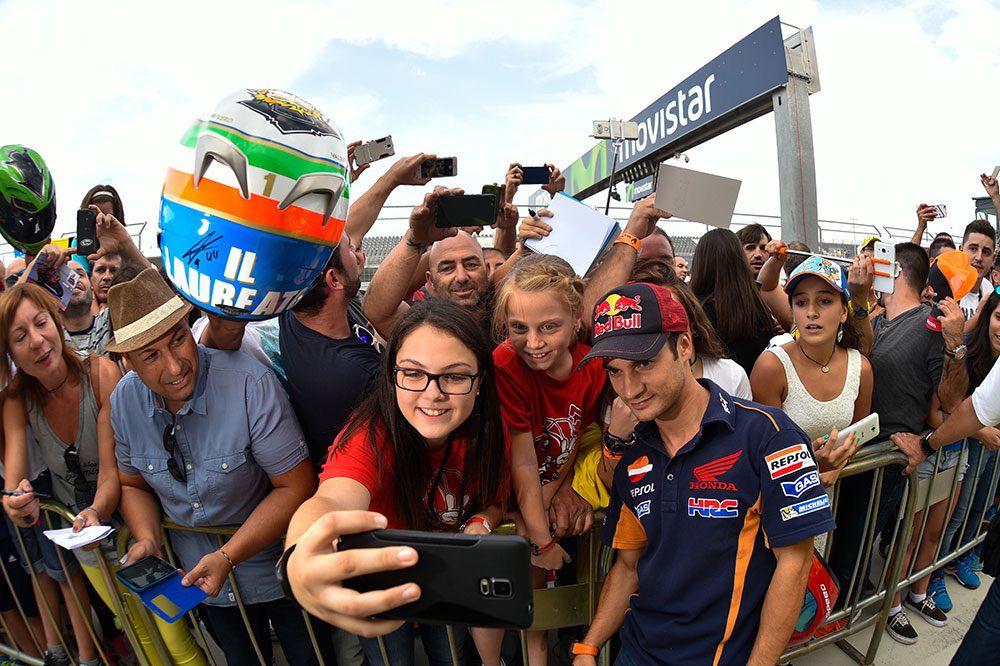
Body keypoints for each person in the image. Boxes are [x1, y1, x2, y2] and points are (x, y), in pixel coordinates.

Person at [570, 281, 834, 666]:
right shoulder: (633, 463)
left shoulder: (769, 436)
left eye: (644, 363)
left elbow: (794, 563)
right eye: (615, 372)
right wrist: (589, 647)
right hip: (634, 654)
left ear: (684, 346)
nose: (630, 388)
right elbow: (628, 568)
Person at [107, 268, 318, 665]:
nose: (174, 367)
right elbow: (132, 483)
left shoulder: (249, 383)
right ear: (127, 361)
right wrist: (148, 538)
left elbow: (296, 485)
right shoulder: (123, 402)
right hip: (205, 588)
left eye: (178, 340)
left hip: (279, 574)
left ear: (190, 326)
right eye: (151, 356)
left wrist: (228, 556)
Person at [284, 299, 509, 665]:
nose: (433, 393)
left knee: (449, 654)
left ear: (480, 382)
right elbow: (331, 501)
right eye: (414, 373)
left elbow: (496, 498)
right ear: (392, 375)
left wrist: (484, 520)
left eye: (454, 376)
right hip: (382, 579)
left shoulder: (488, 433)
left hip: (444, 578)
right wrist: (297, 559)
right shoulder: (370, 436)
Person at [825, 243, 967, 645]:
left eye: (879, 263)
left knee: (853, 544)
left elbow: (954, 400)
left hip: (885, 461)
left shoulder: (929, 323)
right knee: (837, 537)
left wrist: (956, 344)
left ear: (897, 270)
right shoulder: (877, 319)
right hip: (849, 453)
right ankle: (833, 605)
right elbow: (862, 353)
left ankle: (837, 615)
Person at [491, 254, 606, 665]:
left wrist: (553, 493)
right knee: (520, 607)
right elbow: (521, 462)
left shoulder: (593, 367)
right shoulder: (507, 364)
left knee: (539, 611)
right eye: (519, 328)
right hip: (503, 496)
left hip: (540, 493)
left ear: (576, 319)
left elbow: (572, 442)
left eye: (549, 327)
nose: (534, 343)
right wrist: (541, 539)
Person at [0, 283, 122, 666]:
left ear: (56, 321)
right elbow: (15, 472)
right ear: (10, 353)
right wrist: (15, 499)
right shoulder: (19, 398)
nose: (37, 342)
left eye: (41, 324)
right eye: (20, 337)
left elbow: (120, 468)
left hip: (134, 529)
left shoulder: (101, 373)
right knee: (135, 628)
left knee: (175, 633)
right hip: (85, 542)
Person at [890, 340, 1000, 665]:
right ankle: (892, 605)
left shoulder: (970, 360)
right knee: (908, 538)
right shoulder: (948, 352)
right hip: (931, 459)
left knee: (935, 535)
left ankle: (919, 593)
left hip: (956, 456)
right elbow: (948, 408)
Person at [751, 256, 872, 487]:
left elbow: (859, 435)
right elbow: (763, 451)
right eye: (801, 302)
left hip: (833, 506)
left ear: (844, 312)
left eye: (825, 301)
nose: (812, 312)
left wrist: (839, 465)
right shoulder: (772, 366)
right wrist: (813, 466)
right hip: (782, 506)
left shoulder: (861, 367)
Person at [928, 290, 1000, 610]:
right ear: (987, 318)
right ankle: (932, 573)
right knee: (954, 516)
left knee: (980, 506)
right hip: (965, 448)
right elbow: (949, 409)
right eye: (999, 317)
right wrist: (981, 432)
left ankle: (962, 557)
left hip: (993, 452)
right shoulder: (968, 355)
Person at [364, 188, 495, 340]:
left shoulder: (510, 325)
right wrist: (416, 239)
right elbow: (377, 311)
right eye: (447, 268)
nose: (461, 277)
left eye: (471, 265)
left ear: (486, 270)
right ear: (430, 282)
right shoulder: (422, 333)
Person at [690, 228, 775, 375]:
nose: (758, 255)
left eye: (762, 248)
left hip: (715, 393)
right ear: (739, 258)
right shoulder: (759, 303)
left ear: (701, 262)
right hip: (758, 389)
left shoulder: (694, 309)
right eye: (749, 248)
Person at [956, 219, 997, 326]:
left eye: (986, 252)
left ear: (993, 259)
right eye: (973, 249)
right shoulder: (942, 287)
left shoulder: (989, 291)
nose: (979, 257)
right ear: (961, 251)